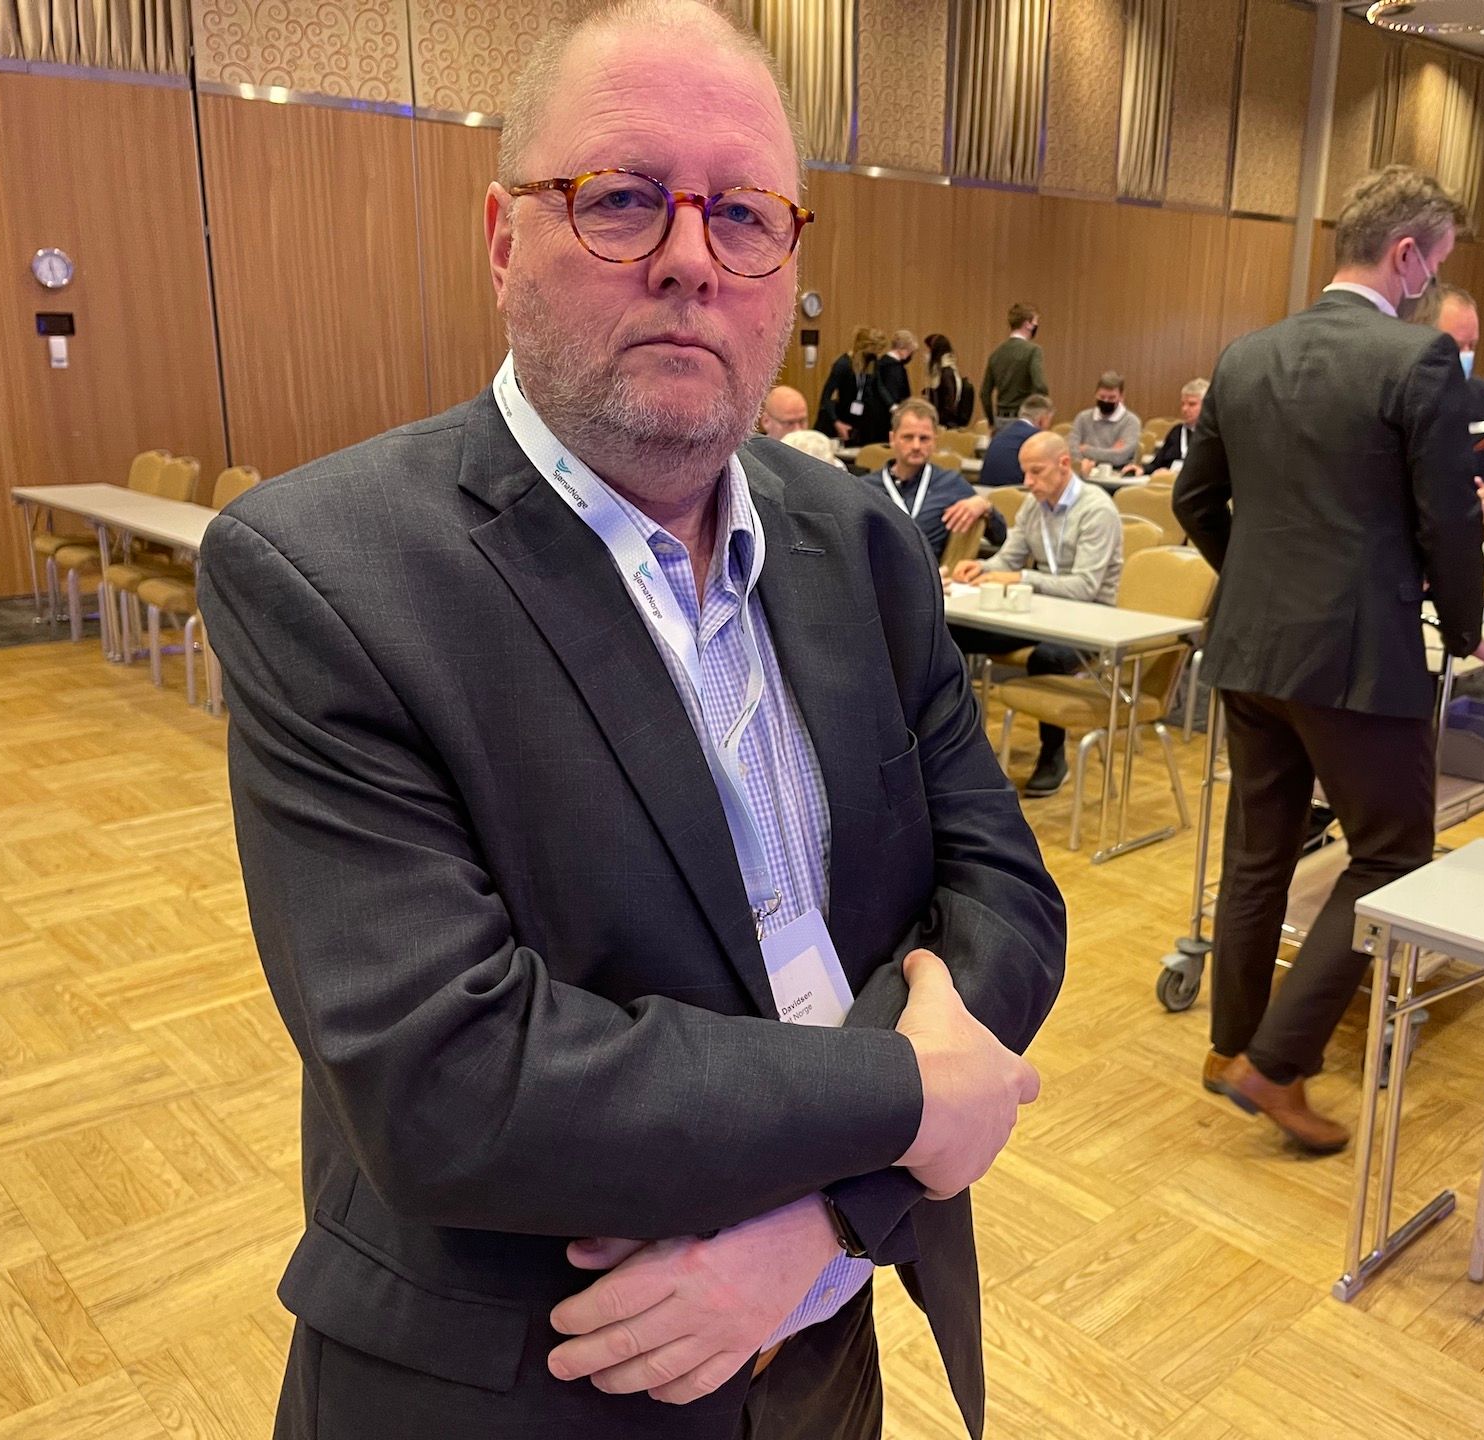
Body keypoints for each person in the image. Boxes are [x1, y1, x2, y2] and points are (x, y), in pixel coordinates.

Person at [198, 5, 1066, 1437]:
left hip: (828, 1342)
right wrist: (912, 1100)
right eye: (620, 198)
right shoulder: (329, 574)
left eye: (745, 214)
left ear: (789, 264)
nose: (689, 258)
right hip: (538, 1378)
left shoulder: (859, 540)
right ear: (502, 239)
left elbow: (1003, 898)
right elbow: (450, 1082)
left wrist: (827, 1223)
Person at [1172, 165, 1484, 1155]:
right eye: (1433, 264)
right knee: (1392, 853)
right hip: (1360, 656)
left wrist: (1260, 586)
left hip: (1249, 647)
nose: (1430, 283)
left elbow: (1196, 502)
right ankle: (1278, 1064)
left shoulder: (1244, 355)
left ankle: (1232, 1045)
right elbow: (1449, 521)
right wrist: (1465, 630)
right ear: (1404, 254)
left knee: (1259, 853)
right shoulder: (1418, 360)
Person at [952, 431, 1123, 798]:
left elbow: (1085, 587)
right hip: (1039, 613)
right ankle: (958, 740)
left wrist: (1021, 577)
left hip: (1087, 621)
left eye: (1036, 472)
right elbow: (1008, 559)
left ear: (1064, 465)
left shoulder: (1097, 510)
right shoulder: (1034, 505)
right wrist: (979, 568)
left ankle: (1052, 754)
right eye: (1025, 472)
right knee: (951, 633)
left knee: (1048, 657)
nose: (1027, 482)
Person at [1410, 283, 1484, 532]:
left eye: (1472, 346)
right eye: (1457, 346)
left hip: (1464, 542)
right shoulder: (1399, 395)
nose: (1466, 355)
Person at [865, 398, 1003, 561]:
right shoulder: (865, 488)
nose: (916, 446)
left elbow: (1001, 538)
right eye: (908, 437)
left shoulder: (951, 484)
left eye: (924, 438)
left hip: (931, 573)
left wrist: (986, 508)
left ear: (935, 441)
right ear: (892, 439)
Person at [981, 303, 1046, 430]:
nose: (1036, 325)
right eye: (1035, 321)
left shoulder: (996, 354)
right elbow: (1040, 386)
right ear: (1027, 324)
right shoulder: (1033, 350)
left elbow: (984, 394)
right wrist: (1041, 413)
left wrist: (991, 421)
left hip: (1000, 419)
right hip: (1023, 419)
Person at [815, 325, 884, 441]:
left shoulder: (871, 362)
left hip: (862, 421)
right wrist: (836, 422)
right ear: (864, 348)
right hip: (842, 419)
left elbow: (879, 387)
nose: (877, 354)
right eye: (875, 350)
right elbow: (826, 397)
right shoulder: (843, 364)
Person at [1124, 379, 1207, 475]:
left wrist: (1175, 472)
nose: (1184, 409)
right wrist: (1142, 469)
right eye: (1183, 404)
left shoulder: (1215, 434)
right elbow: (1156, 464)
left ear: (1207, 406)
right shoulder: (1177, 431)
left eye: (1192, 404)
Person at [1066, 371, 1142, 474]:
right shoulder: (1082, 418)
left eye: (1111, 398)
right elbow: (1071, 450)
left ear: (1121, 397)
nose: (1106, 401)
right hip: (1084, 473)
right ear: (1095, 394)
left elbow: (1120, 457)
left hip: (1117, 475)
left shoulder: (1131, 421)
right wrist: (1110, 451)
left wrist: (1086, 450)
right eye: (1102, 397)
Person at [979, 393, 1052, 488]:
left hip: (985, 491)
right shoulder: (1038, 438)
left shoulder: (1001, 433)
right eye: (1049, 420)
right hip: (1018, 492)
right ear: (1042, 420)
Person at [923, 332, 975, 428]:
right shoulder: (945, 371)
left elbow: (949, 403)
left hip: (945, 426)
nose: (926, 354)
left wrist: (937, 421)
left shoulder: (946, 372)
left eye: (929, 350)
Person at [874, 330, 917, 422]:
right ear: (902, 348)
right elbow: (894, 392)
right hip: (891, 414)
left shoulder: (882, 362)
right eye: (910, 350)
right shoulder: (893, 367)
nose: (910, 354)